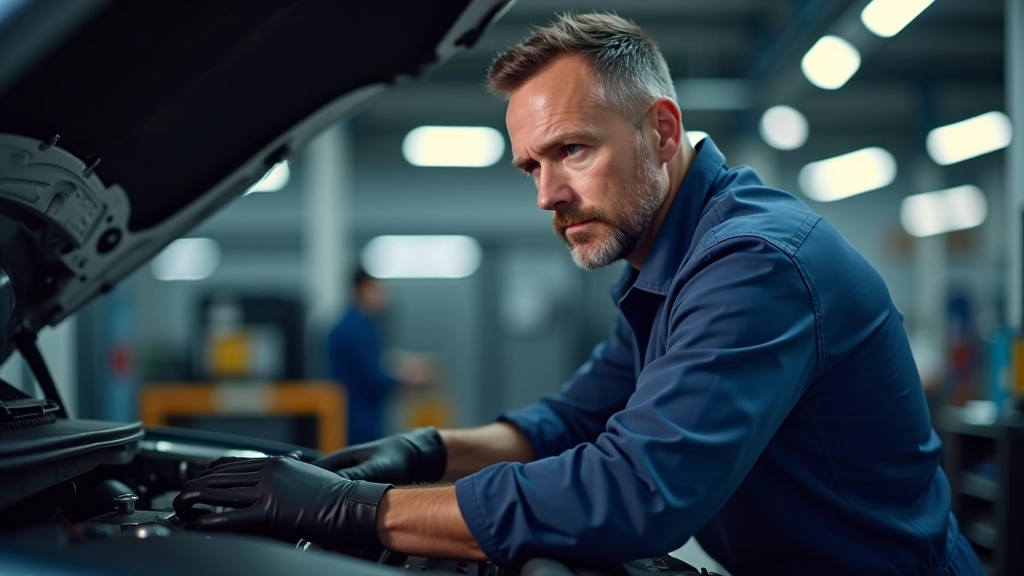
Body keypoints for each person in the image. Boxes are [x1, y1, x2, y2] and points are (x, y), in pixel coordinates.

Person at [175, 13, 985, 575]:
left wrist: (355, 511)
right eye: (531, 166)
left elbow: (635, 492)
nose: (546, 195)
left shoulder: (754, 265)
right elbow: (570, 421)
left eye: (571, 151)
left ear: (661, 132)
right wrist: (422, 453)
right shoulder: (665, 261)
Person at [326, 268, 431, 446]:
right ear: (363, 289)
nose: (384, 297)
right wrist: (407, 377)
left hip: (345, 417)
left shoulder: (346, 324)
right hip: (359, 420)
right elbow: (373, 378)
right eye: (378, 290)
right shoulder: (358, 329)